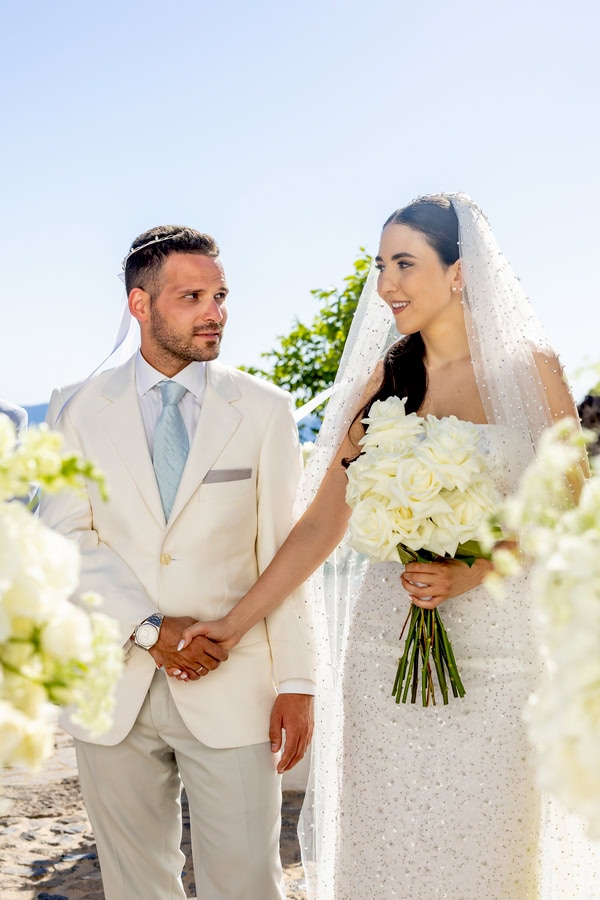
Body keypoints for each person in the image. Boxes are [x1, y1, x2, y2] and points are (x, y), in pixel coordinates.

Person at [177, 195, 598, 898]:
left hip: (499, 657)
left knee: (487, 849)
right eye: (381, 266)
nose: (387, 285)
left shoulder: (534, 372)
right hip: (384, 651)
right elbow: (319, 526)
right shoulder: (387, 379)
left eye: (405, 264)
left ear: (459, 272)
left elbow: (570, 512)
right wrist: (233, 622)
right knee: (388, 846)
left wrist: (477, 569)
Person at [40, 225, 315, 900]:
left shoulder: (264, 410)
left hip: (236, 683)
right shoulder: (74, 409)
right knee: (136, 887)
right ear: (141, 305)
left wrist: (299, 680)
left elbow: (287, 550)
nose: (215, 311)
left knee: (249, 882)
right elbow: (65, 538)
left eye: (220, 295)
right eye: (192, 296)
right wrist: (147, 628)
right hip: (113, 683)